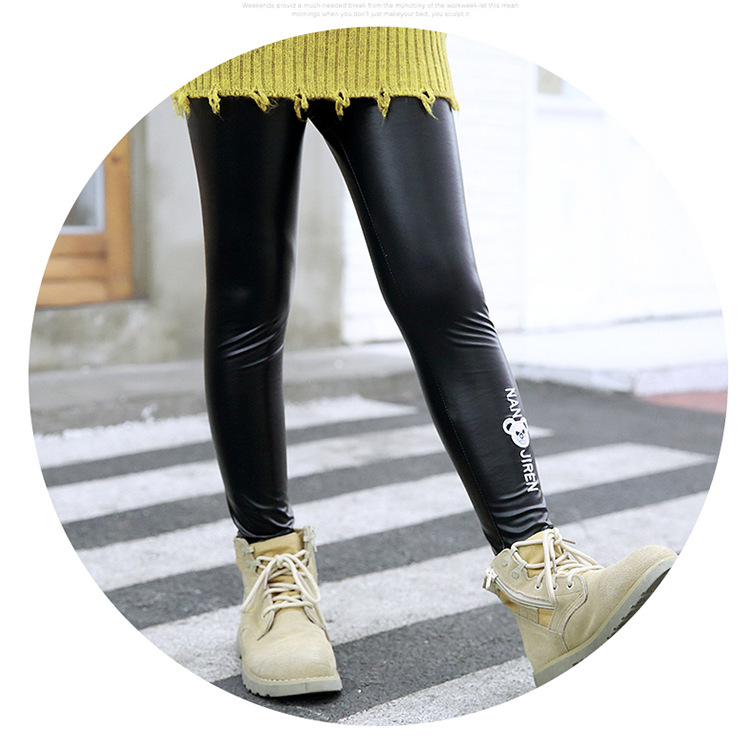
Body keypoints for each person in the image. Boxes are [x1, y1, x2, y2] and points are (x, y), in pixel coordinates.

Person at [173, 27, 676, 697]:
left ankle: (545, 582)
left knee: (445, 289)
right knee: (249, 300)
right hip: (240, 42)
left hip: (387, 36)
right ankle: (274, 573)